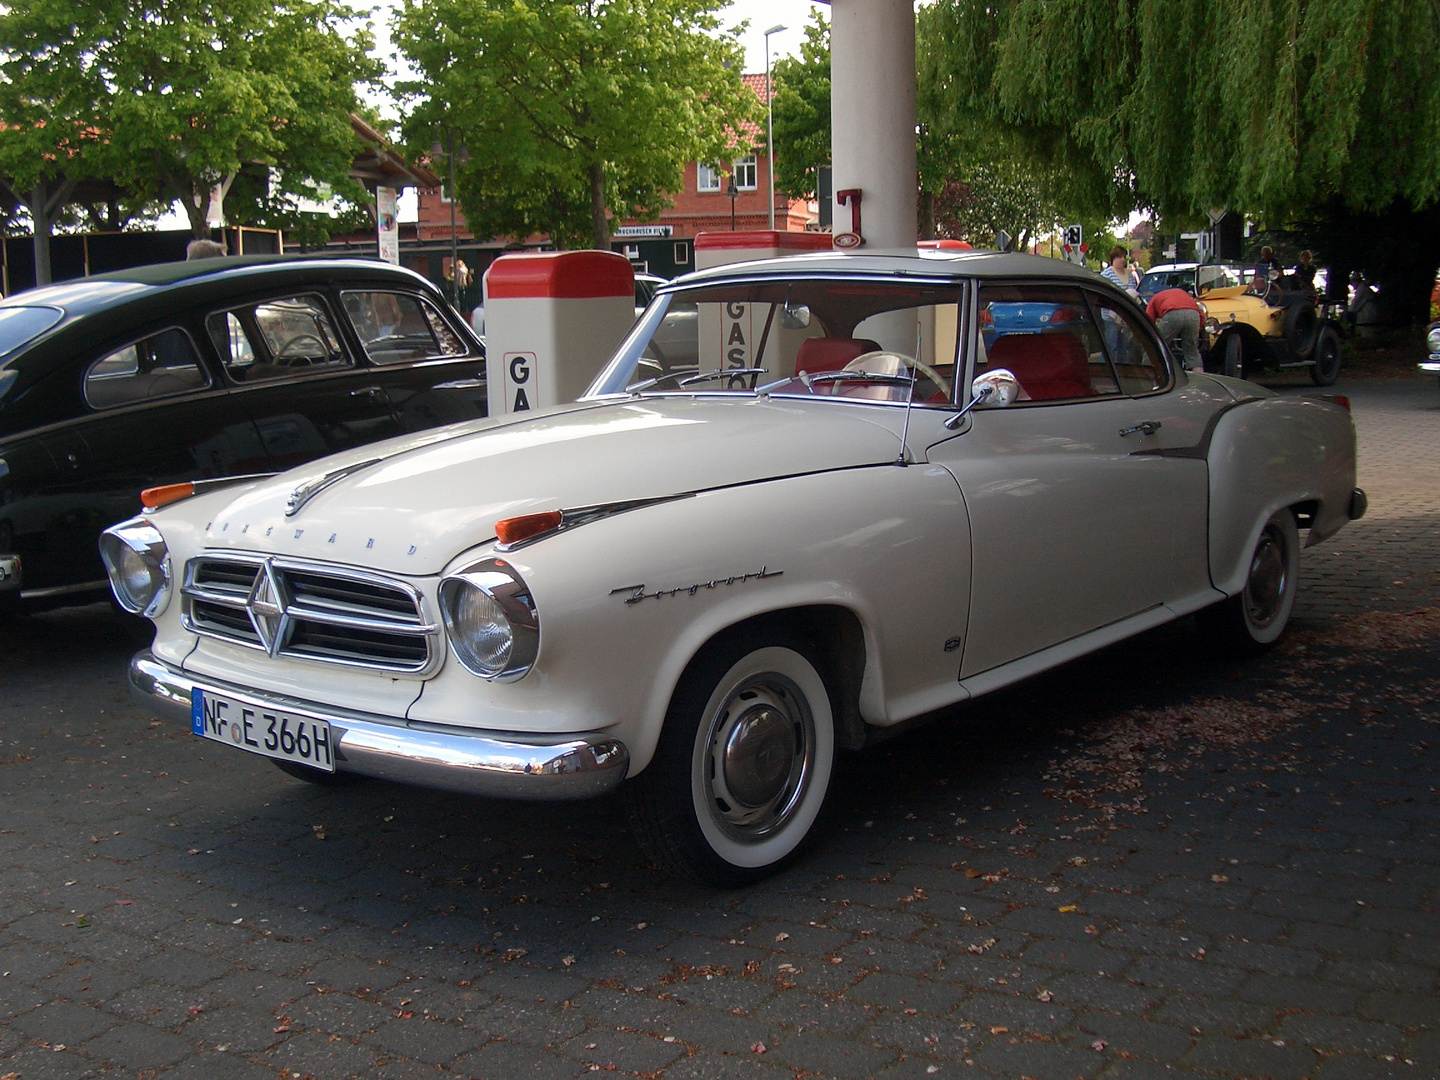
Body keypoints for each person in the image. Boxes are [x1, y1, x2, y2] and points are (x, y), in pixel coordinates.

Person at [1146, 287, 1204, 372]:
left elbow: (1148, 320)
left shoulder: (1154, 299)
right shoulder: (1182, 294)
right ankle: (1200, 378)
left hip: (1172, 312)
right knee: (1192, 352)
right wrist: (1198, 329)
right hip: (1194, 314)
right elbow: (1201, 315)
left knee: (1157, 346)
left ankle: (1148, 372)